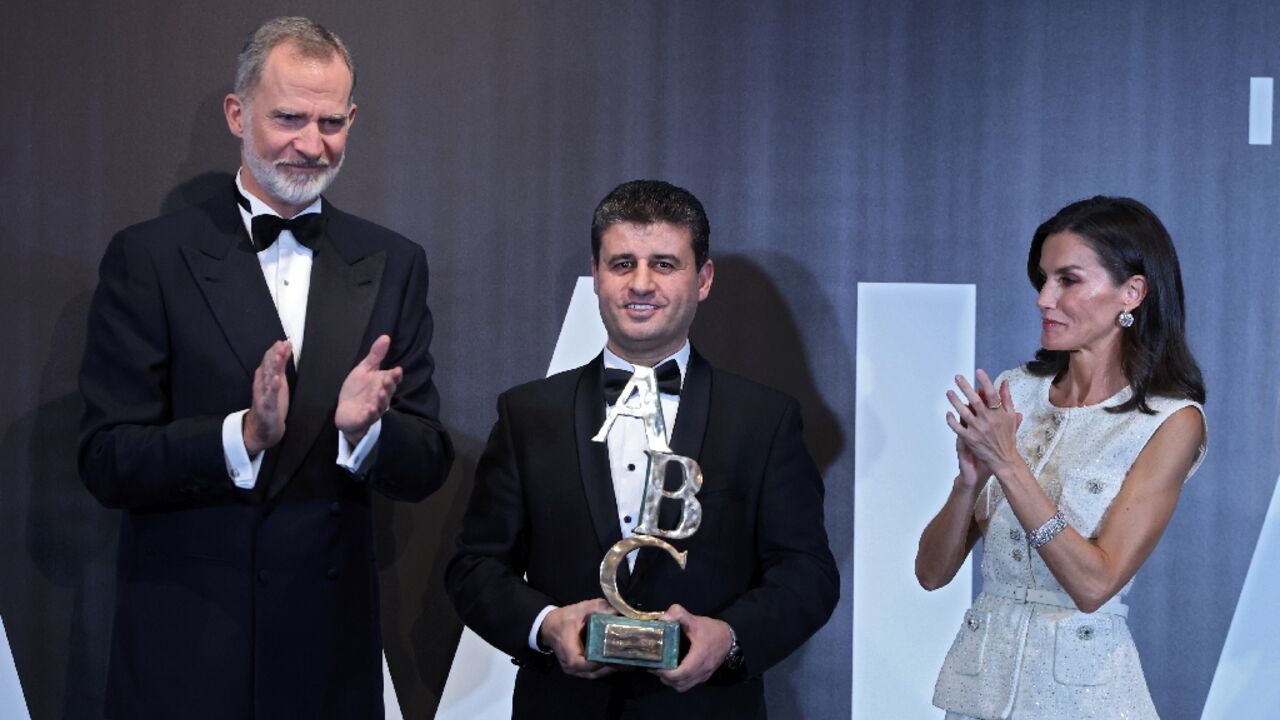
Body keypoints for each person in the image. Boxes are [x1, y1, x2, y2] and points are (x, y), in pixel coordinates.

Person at [78, 17, 453, 719]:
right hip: (187, 652)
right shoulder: (150, 259)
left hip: (328, 659)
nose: (311, 144)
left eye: (330, 122)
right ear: (237, 113)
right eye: (288, 118)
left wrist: (364, 433)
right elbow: (105, 460)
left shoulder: (394, 263)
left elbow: (427, 459)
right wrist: (243, 435)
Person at [446, 179, 839, 718]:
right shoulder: (528, 413)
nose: (642, 284)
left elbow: (807, 574)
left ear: (703, 279)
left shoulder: (764, 420)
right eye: (623, 263)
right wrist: (546, 625)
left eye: (665, 264)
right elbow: (475, 567)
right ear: (597, 276)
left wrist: (728, 637)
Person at [916, 196, 1208, 718]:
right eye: (1043, 279)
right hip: (979, 692)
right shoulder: (1015, 392)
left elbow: (1094, 584)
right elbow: (931, 575)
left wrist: (1008, 465)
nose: (1044, 299)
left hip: (1085, 697)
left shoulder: (1169, 421)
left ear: (1132, 292)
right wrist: (967, 483)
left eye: (1068, 280)